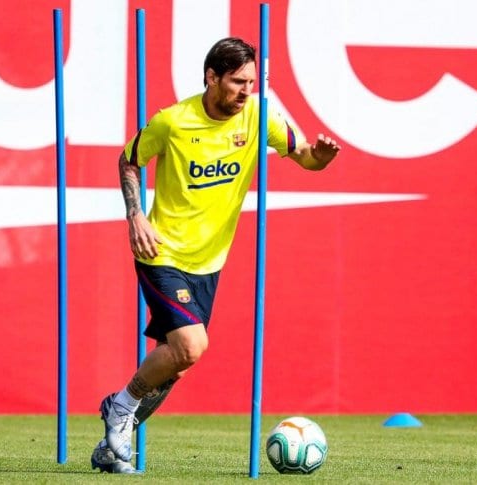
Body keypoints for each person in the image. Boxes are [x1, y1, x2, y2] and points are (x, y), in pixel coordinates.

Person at [91, 37, 341, 474]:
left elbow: (304, 156)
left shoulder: (260, 117)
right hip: (161, 250)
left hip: (209, 263)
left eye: (252, 82)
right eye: (237, 81)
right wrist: (135, 215)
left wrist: (319, 158)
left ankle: (112, 446)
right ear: (211, 77)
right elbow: (129, 160)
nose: (246, 91)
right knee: (191, 346)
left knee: (174, 365)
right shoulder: (173, 121)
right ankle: (121, 405)